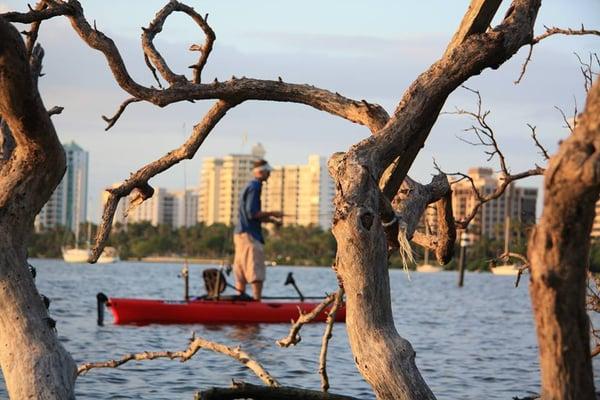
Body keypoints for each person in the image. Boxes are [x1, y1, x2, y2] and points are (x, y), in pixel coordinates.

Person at [233, 159, 283, 300]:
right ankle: (256, 302)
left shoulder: (249, 186)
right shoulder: (255, 186)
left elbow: (252, 215)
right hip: (250, 235)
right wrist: (273, 213)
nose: (269, 174)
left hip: (240, 234)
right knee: (256, 271)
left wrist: (271, 220)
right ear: (261, 171)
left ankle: (240, 301)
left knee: (241, 270)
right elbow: (252, 213)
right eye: (268, 172)